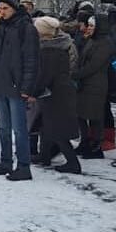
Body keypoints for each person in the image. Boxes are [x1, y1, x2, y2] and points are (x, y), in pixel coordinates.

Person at [0, 0, 39, 181]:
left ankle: (23, 165)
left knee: (19, 129)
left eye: (5, 8)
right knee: (3, 127)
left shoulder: (26, 28)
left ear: (14, 8)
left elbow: (31, 59)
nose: (2, 12)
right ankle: (5, 161)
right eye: (0, 9)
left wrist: (27, 87)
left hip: (16, 85)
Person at [32, 16, 81, 173]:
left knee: (57, 130)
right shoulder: (58, 46)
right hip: (59, 91)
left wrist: (33, 91)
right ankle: (44, 155)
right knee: (46, 127)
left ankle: (73, 163)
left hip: (57, 94)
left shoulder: (50, 50)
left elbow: (45, 76)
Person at [73, 14, 116, 159]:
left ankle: (96, 144)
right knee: (81, 114)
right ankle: (85, 141)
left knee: (95, 115)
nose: (89, 28)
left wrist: (77, 74)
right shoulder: (92, 40)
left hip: (96, 83)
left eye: (92, 26)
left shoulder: (104, 43)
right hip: (85, 83)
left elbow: (94, 65)